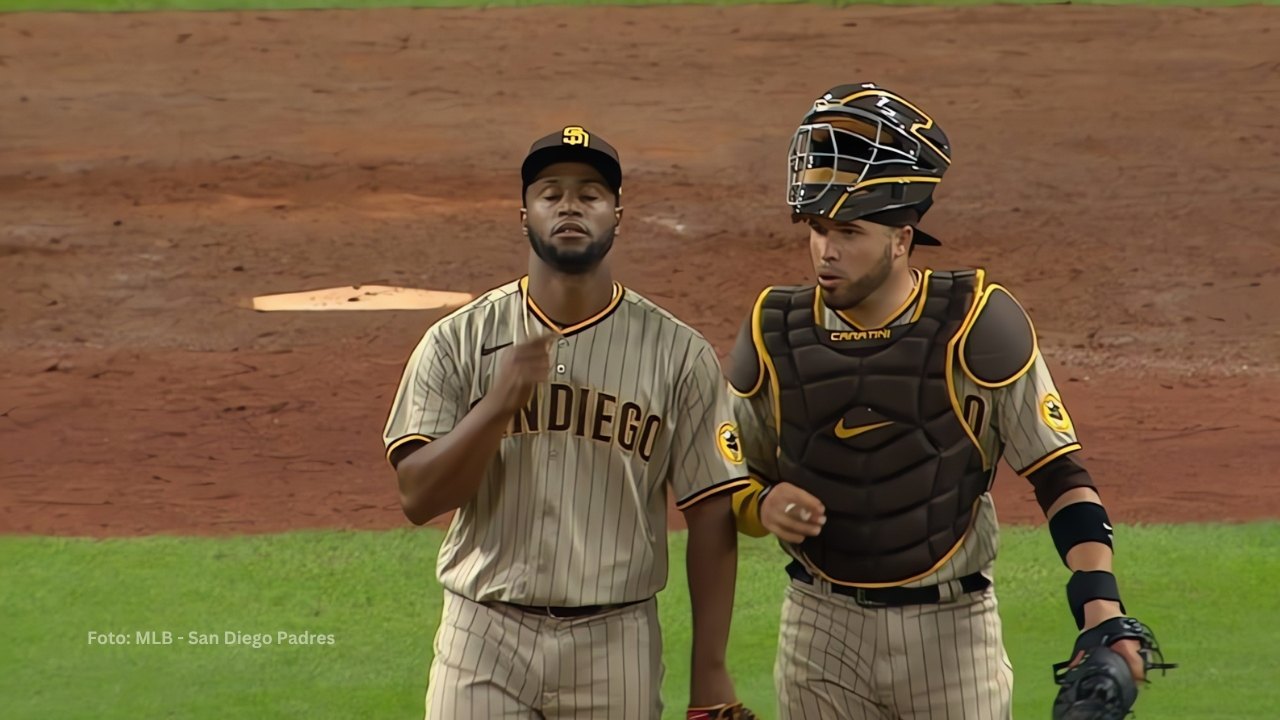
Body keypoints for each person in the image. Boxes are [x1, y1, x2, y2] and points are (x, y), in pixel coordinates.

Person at [725, 83, 1171, 719]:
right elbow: (726, 476)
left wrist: (1102, 605)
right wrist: (760, 502)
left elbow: (1059, 475)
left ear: (902, 239)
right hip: (818, 636)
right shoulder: (775, 331)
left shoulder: (977, 326)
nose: (826, 250)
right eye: (818, 229)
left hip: (951, 640)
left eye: (848, 231)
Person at [382, 126, 759, 720]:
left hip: (616, 642)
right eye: (550, 192)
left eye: (590, 194)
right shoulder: (457, 341)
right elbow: (418, 496)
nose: (570, 205)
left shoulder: (677, 354)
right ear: (525, 214)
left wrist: (710, 669)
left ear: (616, 214)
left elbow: (711, 511)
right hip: (482, 637)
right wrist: (497, 407)